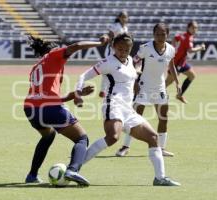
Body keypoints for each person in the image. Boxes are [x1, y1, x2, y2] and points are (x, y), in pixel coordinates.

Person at [75, 33, 180, 186]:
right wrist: (78, 92)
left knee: (153, 137)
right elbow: (83, 76)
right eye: (119, 49)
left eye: (126, 49)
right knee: (113, 137)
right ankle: (74, 167)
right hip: (113, 104)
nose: (122, 52)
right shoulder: (108, 62)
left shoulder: (130, 60)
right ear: (113, 47)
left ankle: (160, 178)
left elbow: (132, 77)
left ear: (130, 50)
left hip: (128, 109)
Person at [23, 35, 108, 186]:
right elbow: (77, 45)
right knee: (81, 138)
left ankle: (32, 175)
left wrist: (77, 94)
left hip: (30, 109)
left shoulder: (37, 66)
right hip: (48, 108)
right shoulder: (54, 55)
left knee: (48, 136)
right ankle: (72, 170)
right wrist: (100, 43)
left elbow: (47, 96)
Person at [115, 23, 180, 157]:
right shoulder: (145, 48)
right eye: (157, 34)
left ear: (167, 35)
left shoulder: (171, 49)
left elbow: (171, 66)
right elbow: (134, 61)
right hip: (143, 86)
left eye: (163, 34)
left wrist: (177, 83)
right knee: (135, 118)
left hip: (160, 87)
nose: (160, 37)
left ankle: (161, 149)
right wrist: (135, 78)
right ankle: (125, 147)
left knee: (163, 118)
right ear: (153, 34)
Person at [166, 20, 205, 103]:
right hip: (176, 63)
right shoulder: (188, 37)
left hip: (181, 62)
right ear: (188, 28)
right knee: (168, 82)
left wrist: (173, 47)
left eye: (196, 28)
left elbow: (175, 38)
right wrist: (201, 48)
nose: (195, 29)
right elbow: (190, 50)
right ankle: (153, 94)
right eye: (193, 28)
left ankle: (179, 95)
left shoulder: (183, 35)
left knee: (192, 75)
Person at [99, 10, 129, 98]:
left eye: (125, 17)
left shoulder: (125, 28)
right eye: (122, 17)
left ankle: (116, 88)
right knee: (107, 69)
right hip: (112, 50)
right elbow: (109, 35)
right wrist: (113, 45)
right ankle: (103, 90)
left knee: (119, 69)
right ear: (119, 18)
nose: (124, 19)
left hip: (120, 51)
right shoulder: (115, 26)